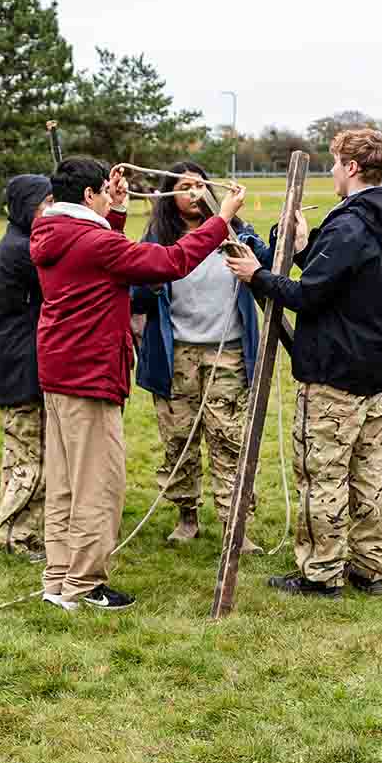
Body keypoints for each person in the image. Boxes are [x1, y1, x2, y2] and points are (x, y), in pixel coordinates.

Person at [30, 156, 246, 611]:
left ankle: (58, 578)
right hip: (89, 376)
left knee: (66, 481)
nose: (110, 196)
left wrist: (117, 212)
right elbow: (171, 260)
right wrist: (221, 217)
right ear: (89, 196)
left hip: (59, 372)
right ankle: (85, 584)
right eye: (104, 193)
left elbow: (101, 248)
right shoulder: (91, 242)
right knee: (98, 485)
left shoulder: (55, 231)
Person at [230, 127, 382, 598]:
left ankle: (320, 572)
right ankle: (373, 567)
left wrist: (257, 276)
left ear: (351, 167)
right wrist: (302, 246)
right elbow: (340, 277)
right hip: (372, 365)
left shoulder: (350, 223)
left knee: (322, 472)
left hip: (334, 367)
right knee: (369, 471)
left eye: (335, 163)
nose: (332, 172)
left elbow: (309, 295)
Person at [129, 162, 271, 547]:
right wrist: (152, 282)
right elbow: (135, 296)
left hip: (228, 353)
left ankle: (235, 527)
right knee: (178, 442)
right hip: (175, 354)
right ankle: (186, 517)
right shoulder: (157, 239)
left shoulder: (236, 233)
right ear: (168, 195)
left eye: (199, 185)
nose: (192, 194)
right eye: (183, 187)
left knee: (229, 440)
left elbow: (272, 266)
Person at [0, 171, 53, 560]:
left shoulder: (19, 241)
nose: (50, 211)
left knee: (21, 457)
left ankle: (14, 536)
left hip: (17, 362)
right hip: (22, 367)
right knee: (31, 458)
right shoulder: (21, 249)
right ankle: (13, 538)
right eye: (45, 204)